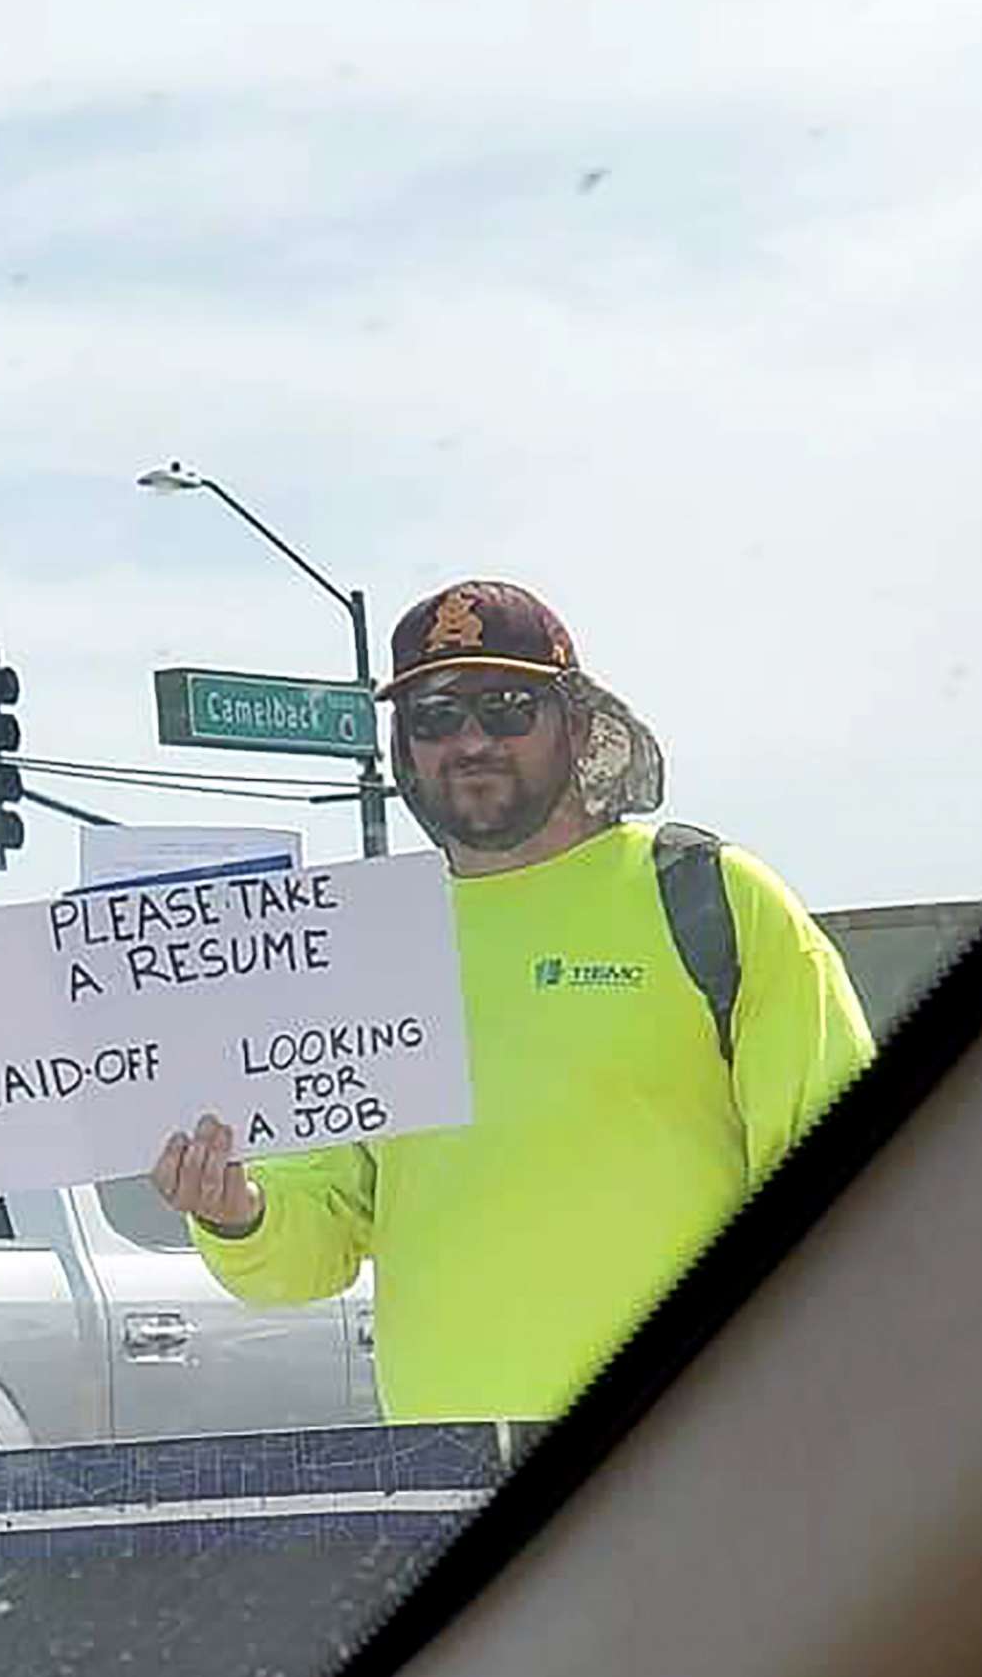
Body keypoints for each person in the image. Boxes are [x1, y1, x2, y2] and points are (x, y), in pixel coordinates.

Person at [151, 580, 874, 1423]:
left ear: (574, 722)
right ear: (404, 748)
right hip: (450, 1482)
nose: (471, 740)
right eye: (435, 716)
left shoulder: (712, 898)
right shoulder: (361, 946)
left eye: (506, 707)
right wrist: (235, 1212)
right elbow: (310, 1249)